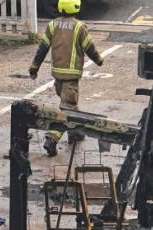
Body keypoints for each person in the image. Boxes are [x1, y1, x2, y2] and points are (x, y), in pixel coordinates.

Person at [27, 0, 104, 157]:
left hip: (57, 76)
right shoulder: (79, 27)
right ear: (76, 6)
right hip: (71, 77)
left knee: (69, 105)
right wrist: (99, 60)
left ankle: (75, 133)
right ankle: (52, 138)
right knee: (67, 108)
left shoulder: (52, 25)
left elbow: (42, 49)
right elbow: (90, 48)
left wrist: (34, 68)